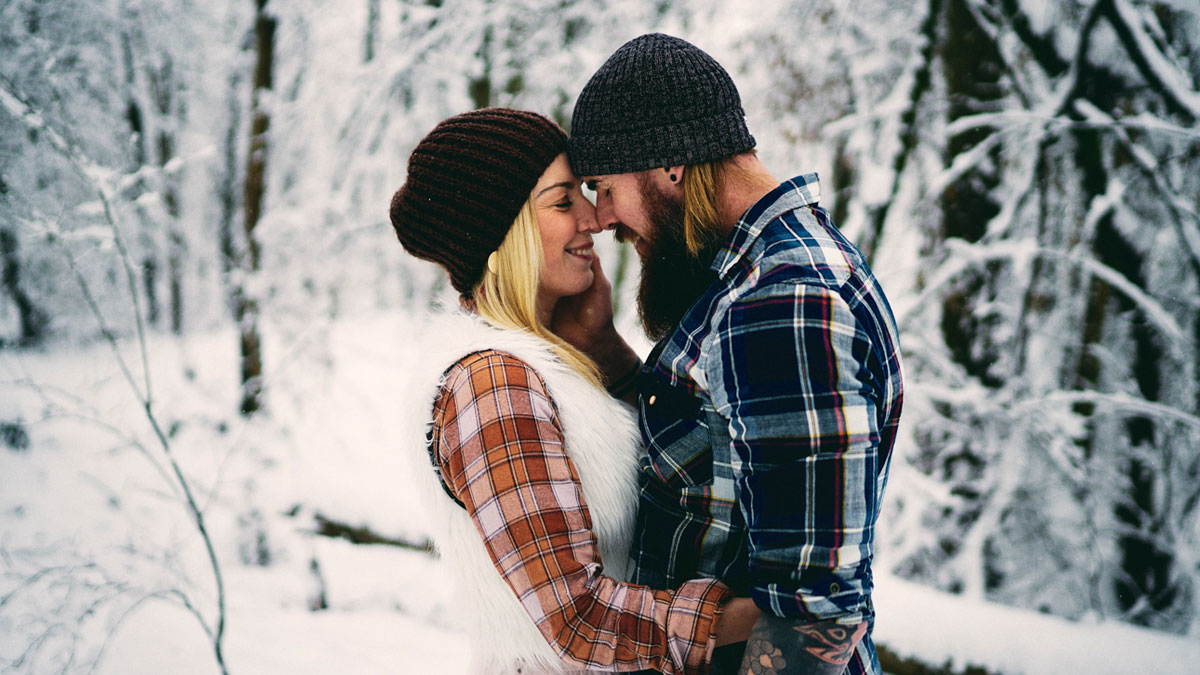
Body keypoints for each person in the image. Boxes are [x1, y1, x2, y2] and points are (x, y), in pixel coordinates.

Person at [553, 34, 905, 674]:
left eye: (603, 187)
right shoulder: (761, 275)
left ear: (671, 165)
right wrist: (605, 349)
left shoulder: (781, 306)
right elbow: (716, 453)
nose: (600, 218)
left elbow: (815, 617)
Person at [388, 107, 760, 674]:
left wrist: (606, 347)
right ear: (501, 234)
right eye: (563, 201)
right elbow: (577, 617)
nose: (594, 217)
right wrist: (774, 616)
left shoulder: (544, 366)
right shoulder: (493, 385)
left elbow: (672, 467)